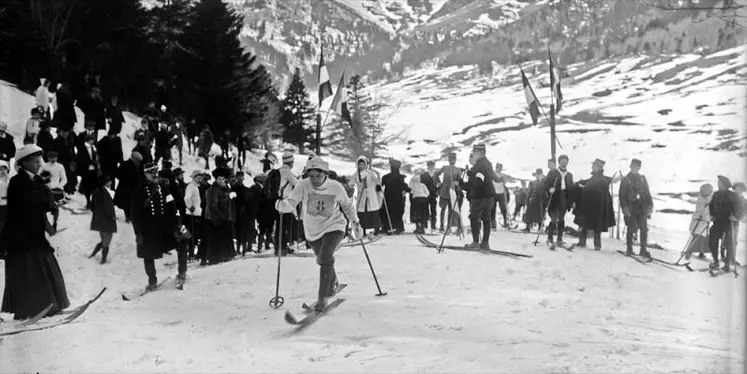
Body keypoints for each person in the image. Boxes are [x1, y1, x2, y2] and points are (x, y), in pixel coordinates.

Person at [275, 157, 361, 312]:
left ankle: (323, 298)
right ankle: (333, 281)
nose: (314, 180)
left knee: (325, 257)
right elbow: (292, 202)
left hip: (335, 226)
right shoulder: (303, 185)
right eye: (312, 176)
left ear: (325, 174)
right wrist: (283, 205)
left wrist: (355, 222)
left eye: (318, 176)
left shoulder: (335, 187)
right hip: (312, 230)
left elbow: (347, 205)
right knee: (323, 258)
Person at [1, 144, 70, 319]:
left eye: (40, 160)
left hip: (35, 234)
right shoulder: (18, 182)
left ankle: (52, 305)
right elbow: (22, 208)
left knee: (46, 269)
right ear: (24, 163)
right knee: (31, 272)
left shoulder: (37, 180)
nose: (39, 164)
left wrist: (50, 203)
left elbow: (41, 203)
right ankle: (33, 309)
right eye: (35, 161)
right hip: (23, 236)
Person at [130, 162, 178, 290]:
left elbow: (171, 204)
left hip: (163, 226)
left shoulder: (162, 188)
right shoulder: (140, 190)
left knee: (183, 240)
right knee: (148, 256)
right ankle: (152, 280)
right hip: (148, 229)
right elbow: (134, 214)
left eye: (156, 171)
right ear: (145, 174)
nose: (154, 174)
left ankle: (182, 272)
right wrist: (138, 233)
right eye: (151, 172)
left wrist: (176, 221)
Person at [572, 159, 618, 250]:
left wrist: (584, 187)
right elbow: (589, 182)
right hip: (590, 205)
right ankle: (584, 242)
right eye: (593, 166)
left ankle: (596, 245)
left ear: (599, 168)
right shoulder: (596, 177)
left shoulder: (601, 179)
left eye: (594, 166)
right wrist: (581, 183)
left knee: (595, 226)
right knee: (586, 224)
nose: (592, 167)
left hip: (597, 206)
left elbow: (595, 187)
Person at [463, 143, 499, 249]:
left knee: (474, 217)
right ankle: (485, 243)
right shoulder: (486, 163)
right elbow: (487, 178)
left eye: (475, 152)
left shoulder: (481, 165)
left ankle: (475, 242)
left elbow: (478, 182)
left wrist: (464, 183)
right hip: (488, 195)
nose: (473, 153)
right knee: (486, 218)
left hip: (481, 196)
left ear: (480, 153)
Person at [619, 158, 654, 257]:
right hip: (631, 208)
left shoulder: (642, 178)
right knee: (630, 229)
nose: (635, 168)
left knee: (644, 229)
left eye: (637, 167)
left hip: (642, 208)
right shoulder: (625, 179)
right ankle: (629, 249)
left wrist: (649, 207)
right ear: (631, 167)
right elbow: (622, 196)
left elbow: (647, 194)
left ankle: (643, 249)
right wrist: (625, 208)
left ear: (639, 168)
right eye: (633, 166)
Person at [708, 176, 743, 271]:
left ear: (724, 185)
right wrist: (712, 215)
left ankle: (727, 264)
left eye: (719, 183)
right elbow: (711, 207)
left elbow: (741, 209)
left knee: (730, 244)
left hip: (730, 223)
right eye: (718, 182)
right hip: (718, 222)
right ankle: (716, 261)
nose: (718, 184)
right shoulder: (716, 194)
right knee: (712, 240)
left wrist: (735, 217)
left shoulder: (733, 195)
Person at [205, 167, 236, 264]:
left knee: (224, 239)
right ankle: (215, 258)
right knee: (216, 239)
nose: (221, 181)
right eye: (219, 179)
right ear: (216, 179)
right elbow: (212, 206)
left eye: (223, 179)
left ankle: (224, 255)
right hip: (216, 219)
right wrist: (218, 218)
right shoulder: (213, 190)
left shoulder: (226, 189)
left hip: (225, 218)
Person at [544, 155, 574, 246]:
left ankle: (559, 238)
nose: (564, 163)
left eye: (565, 162)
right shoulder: (553, 172)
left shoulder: (569, 175)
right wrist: (550, 189)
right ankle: (550, 237)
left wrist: (572, 201)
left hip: (564, 198)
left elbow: (571, 189)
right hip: (554, 197)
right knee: (553, 219)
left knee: (561, 219)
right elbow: (546, 184)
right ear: (559, 162)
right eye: (562, 162)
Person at [88, 175, 117, 264]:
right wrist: (112, 216)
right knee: (107, 240)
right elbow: (107, 207)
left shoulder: (96, 191)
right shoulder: (105, 193)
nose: (111, 182)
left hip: (98, 219)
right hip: (107, 220)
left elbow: (91, 206)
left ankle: (94, 253)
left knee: (104, 239)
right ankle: (103, 259)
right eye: (109, 181)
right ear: (105, 182)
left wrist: (97, 214)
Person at [353, 155, 383, 236]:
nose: (361, 166)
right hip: (361, 196)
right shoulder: (356, 174)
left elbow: (377, 181)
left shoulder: (370, 173)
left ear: (366, 165)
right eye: (360, 164)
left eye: (363, 164)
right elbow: (352, 182)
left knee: (373, 212)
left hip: (370, 195)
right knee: (362, 214)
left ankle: (376, 229)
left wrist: (378, 176)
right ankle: (362, 231)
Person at [434, 153, 463, 233]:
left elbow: (460, 180)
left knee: (451, 210)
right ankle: (441, 226)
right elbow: (435, 174)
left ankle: (448, 227)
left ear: (455, 159)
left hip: (453, 192)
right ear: (448, 160)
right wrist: (438, 183)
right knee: (443, 209)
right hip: (444, 191)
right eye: (450, 158)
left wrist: (457, 182)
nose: (452, 160)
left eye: (453, 158)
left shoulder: (458, 169)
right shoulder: (445, 168)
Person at [684, 183, 713, 260]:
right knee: (698, 236)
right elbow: (703, 210)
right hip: (701, 219)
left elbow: (705, 209)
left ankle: (701, 252)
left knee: (701, 236)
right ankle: (689, 251)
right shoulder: (705, 199)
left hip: (701, 219)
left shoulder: (703, 197)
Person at [40, 151, 67, 230]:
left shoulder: (60, 166)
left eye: (54, 157)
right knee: (43, 209)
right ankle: (44, 225)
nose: (52, 158)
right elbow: (38, 176)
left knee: (55, 209)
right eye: (50, 157)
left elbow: (64, 179)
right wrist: (43, 178)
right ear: (48, 158)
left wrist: (59, 187)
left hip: (56, 191)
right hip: (45, 190)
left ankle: (55, 223)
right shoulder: (44, 166)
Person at [380, 158, 408, 234]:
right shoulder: (397, 177)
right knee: (392, 212)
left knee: (392, 212)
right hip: (393, 198)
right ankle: (394, 227)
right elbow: (380, 185)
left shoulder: (387, 177)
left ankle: (391, 227)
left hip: (393, 198)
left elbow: (380, 185)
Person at [408, 169, 430, 234]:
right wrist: (424, 197)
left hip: (416, 199)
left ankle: (417, 228)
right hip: (423, 199)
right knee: (423, 214)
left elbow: (410, 190)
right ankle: (422, 228)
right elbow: (428, 193)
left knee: (416, 214)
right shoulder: (423, 185)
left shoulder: (412, 184)